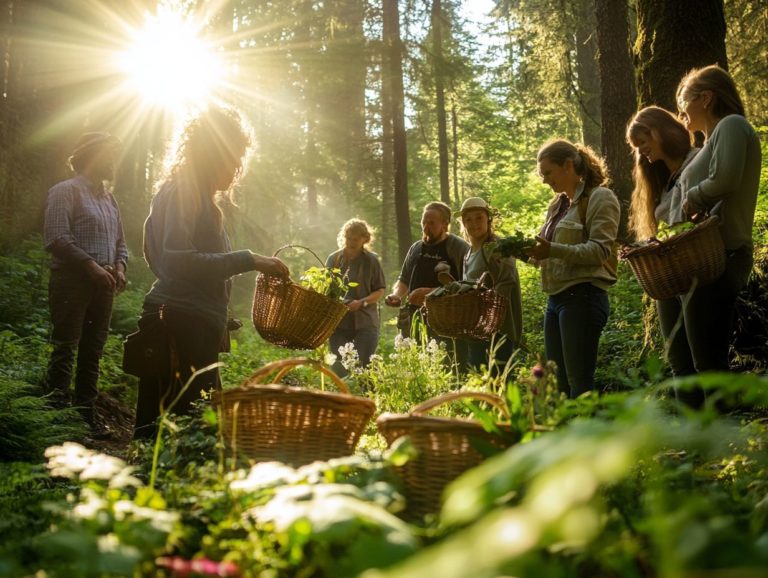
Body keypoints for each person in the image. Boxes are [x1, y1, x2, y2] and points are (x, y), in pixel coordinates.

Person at [133, 106, 290, 440]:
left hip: (192, 322)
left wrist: (213, 304)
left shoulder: (192, 195)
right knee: (183, 433)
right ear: (211, 152)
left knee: (189, 428)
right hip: (177, 326)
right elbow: (175, 260)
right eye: (232, 161)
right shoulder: (182, 192)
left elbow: (155, 254)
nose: (236, 171)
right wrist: (250, 259)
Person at [668, 64, 761, 380]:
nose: (681, 113)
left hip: (724, 258)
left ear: (706, 98)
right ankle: (706, 426)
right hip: (704, 259)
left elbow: (725, 180)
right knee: (699, 363)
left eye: (684, 103)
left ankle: (722, 427)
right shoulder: (709, 142)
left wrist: (692, 197)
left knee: (709, 364)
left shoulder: (731, 125)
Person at [43, 132, 128, 434]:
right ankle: (54, 420)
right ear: (91, 156)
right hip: (71, 282)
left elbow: (121, 242)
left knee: (93, 351)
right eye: (108, 154)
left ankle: (84, 416)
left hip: (104, 285)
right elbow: (55, 237)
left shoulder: (109, 198)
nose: (113, 161)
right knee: (66, 347)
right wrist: (90, 266)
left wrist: (119, 266)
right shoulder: (65, 191)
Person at [526, 139, 620, 398]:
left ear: (568, 166)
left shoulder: (600, 197)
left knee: (579, 383)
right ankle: (566, 434)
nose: (545, 180)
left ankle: (589, 435)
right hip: (554, 301)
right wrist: (523, 253)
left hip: (584, 298)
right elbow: (546, 252)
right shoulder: (557, 205)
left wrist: (552, 250)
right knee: (557, 384)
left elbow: (600, 251)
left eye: (548, 173)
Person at [626, 106, 700, 377]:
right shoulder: (661, 180)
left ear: (660, 133)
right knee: (678, 360)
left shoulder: (696, 162)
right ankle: (689, 418)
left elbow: (694, 219)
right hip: (668, 277)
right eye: (637, 146)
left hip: (695, 270)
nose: (641, 150)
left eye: (643, 142)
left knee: (702, 359)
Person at [457, 197, 523, 371]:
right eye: (468, 219)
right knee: (481, 380)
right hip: (477, 329)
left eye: (479, 217)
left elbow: (506, 281)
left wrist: (489, 310)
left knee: (501, 380)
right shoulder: (468, 253)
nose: (474, 223)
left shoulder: (498, 247)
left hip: (499, 329)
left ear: (488, 219)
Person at [384, 201, 470, 336]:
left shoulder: (458, 248)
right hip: (412, 320)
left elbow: (468, 286)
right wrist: (396, 295)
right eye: (423, 222)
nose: (425, 227)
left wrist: (430, 293)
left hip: (445, 323)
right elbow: (404, 279)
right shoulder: (416, 248)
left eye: (431, 223)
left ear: (445, 225)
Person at [325, 219, 386, 375]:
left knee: (363, 368)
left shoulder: (371, 261)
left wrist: (362, 302)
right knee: (339, 368)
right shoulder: (334, 259)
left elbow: (380, 290)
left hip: (365, 322)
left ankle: (366, 398)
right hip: (338, 323)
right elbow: (326, 289)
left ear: (364, 239)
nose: (350, 242)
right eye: (348, 238)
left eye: (355, 239)